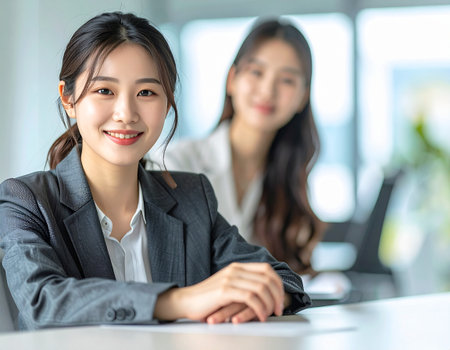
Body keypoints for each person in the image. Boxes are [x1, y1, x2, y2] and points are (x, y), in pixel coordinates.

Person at [0, 12, 310, 331]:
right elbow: (43, 300)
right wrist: (182, 301)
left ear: (167, 102)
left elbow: (284, 281)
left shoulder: (191, 197)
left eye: (146, 92)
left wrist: (254, 298)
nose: (126, 113)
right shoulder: (25, 201)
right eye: (104, 91)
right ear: (68, 97)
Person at [150, 18, 324, 275]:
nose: (267, 91)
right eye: (256, 72)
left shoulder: (289, 185)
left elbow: (295, 276)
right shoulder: (175, 163)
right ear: (232, 79)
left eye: (287, 80)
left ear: (303, 97)